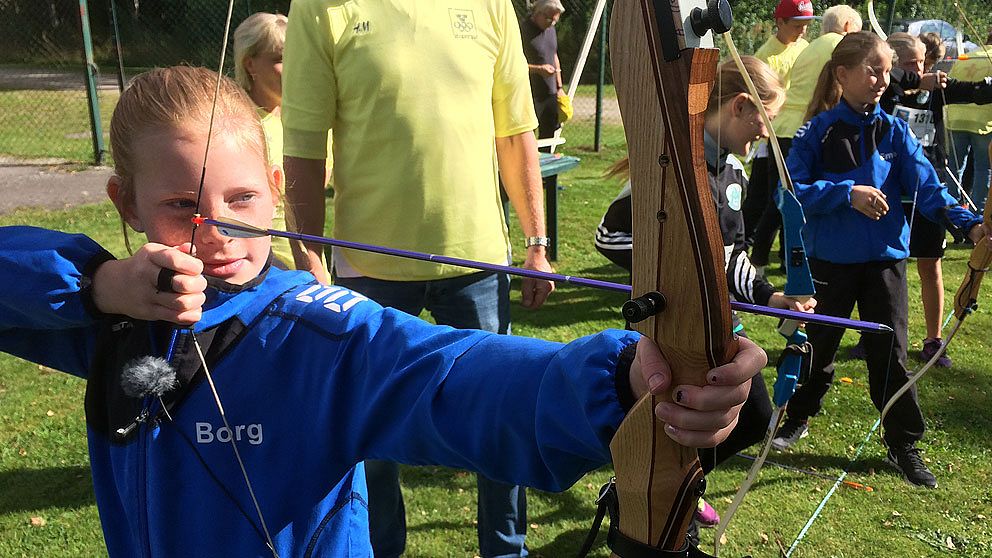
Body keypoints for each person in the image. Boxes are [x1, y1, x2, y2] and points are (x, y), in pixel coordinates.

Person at [0, 66, 763, 558]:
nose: (218, 232)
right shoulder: (117, 313)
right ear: (123, 205)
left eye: (241, 200)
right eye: (179, 206)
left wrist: (628, 380)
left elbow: (454, 377)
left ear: (275, 186)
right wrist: (96, 286)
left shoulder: (319, 333)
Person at [279, 1, 555, 555]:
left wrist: (536, 243)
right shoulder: (319, 8)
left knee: (498, 419)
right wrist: (309, 255)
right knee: (371, 435)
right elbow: (303, 145)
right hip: (368, 269)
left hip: (477, 261)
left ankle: (506, 550)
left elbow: (515, 129)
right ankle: (378, 549)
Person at [596, 57, 816, 530]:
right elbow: (609, 237)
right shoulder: (670, 162)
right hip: (668, 327)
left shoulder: (731, 171)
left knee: (750, 416)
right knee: (676, 417)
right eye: (765, 121)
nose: (766, 134)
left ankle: (677, 486)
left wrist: (771, 297)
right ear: (739, 106)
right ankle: (647, 499)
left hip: (714, 320)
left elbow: (730, 255)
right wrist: (678, 258)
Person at [769, 32, 989, 489]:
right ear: (842, 74)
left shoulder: (894, 130)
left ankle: (903, 440)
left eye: (887, 71)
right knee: (819, 347)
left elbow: (928, 187)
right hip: (829, 262)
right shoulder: (819, 130)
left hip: (885, 262)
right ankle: (796, 417)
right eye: (873, 70)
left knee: (890, 354)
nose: (882, 79)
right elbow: (788, 193)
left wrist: (969, 225)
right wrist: (845, 194)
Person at [879, 32, 992, 367]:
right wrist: (913, 82)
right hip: (887, 189)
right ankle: (878, 334)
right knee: (884, 268)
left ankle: (933, 339)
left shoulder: (935, 89)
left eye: (922, 60)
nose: (921, 67)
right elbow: (889, 91)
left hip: (928, 188)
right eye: (911, 63)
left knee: (930, 264)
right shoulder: (882, 91)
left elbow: (976, 92)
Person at [746, 5, 863, 270]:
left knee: (782, 198)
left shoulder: (811, 46)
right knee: (781, 200)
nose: (803, 30)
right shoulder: (839, 45)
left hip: (786, 128)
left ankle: (783, 259)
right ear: (847, 27)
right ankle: (758, 259)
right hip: (797, 129)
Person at [231, 12, 332, 269]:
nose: (294, 69)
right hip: (261, 267)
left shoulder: (314, 121)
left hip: (313, 266)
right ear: (249, 64)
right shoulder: (235, 124)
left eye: (299, 58)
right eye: (281, 59)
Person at [743, 0, 815, 248]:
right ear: (780, 22)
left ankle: (787, 252)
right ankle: (740, 243)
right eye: (797, 25)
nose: (803, 31)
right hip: (771, 134)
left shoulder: (806, 48)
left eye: (806, 25)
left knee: (788, 191)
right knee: (762, 196)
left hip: (797, 131)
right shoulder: (765, 56)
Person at [946, 29, 992, 213]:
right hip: (984, 121)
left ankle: (951, 209)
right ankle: (977, 212)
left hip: (955, 117)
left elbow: (950, 84)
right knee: (983, 169)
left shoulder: (966, 57)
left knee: (955, 168)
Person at [521, 0, 565, 140]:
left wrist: (559, 87)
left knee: (548, 135)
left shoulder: (550, 29)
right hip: (529, 93)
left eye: (555, 21)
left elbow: (554, 55)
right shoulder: (523, 30)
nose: (551, 24)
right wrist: (538, 69)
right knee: (528, 137)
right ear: (537, 13)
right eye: (548, 19)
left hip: (550, 93)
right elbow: (514, 63)